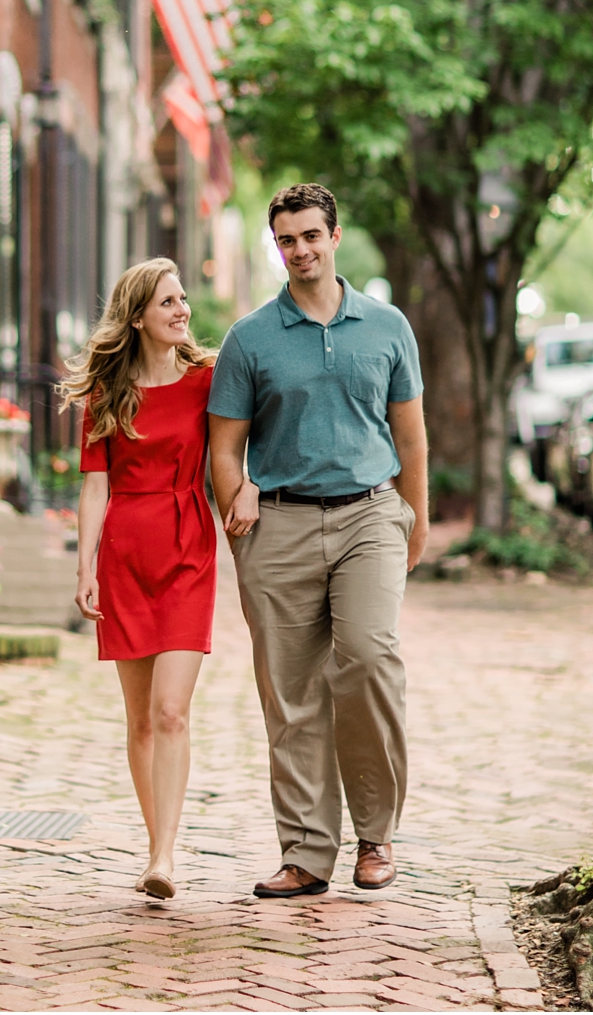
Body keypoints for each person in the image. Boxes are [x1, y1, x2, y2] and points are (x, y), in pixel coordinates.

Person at [208, 183, 429, 899]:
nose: (299, 249)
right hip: (280, 523)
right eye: (286, 240)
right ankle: (306, 851)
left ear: (335, 236)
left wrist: (413, 520)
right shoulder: (250, 338)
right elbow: (224, 446)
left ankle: (376, 835)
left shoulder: (387, 326)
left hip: (370, 514)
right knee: (291, 690)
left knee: (368, 659)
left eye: (310, 235)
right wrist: (235, 503)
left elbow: (410, 434)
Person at [62, 258, 217, 901]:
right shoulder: (108, 393)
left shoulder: (208, 381)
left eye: (182, 299)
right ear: (137, 318)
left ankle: (164, 855)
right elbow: (95, 483)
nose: (182, 310)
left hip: (188, 549)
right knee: (141, 722)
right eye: (168, 303)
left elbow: (238, 448)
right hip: (125, 553)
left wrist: (249, 491)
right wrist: (86, 566)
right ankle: (158, 846)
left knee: (172, 709)